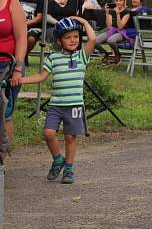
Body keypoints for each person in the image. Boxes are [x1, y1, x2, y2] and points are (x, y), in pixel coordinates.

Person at [12, 17, 96, 183]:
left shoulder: (81, 56)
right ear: (59, 40)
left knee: (70, 137)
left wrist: (83, 22)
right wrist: (21, 79)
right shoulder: (53, 58)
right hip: (56, 105)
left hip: (74, 105)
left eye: (75, 37)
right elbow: (41, 76)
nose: (73, 40)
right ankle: (58, 160)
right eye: (68, 37)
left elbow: (93, 39)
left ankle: (69, 169)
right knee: (49, 133)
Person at [0, 0, 28, 158]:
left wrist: (17, 68)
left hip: (8, 66)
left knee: (5, 112)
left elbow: (22, 37)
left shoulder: (11, 2)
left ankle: (1, 160)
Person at [94, 0, 132, 64]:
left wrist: (118, 13)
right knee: (94, 41)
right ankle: (104, 53)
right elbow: (109, 26)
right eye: (116, 0)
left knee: (110, 40)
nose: (118, 2)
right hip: (112, 30)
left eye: (120, 0)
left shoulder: (127, 12)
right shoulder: (112, 11)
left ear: (124, 1)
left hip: (121, 32)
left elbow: (120, 26)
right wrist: (107, 13)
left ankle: (117, 54)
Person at [16, 0, 43, 65]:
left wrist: (26, 23)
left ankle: (23, 56)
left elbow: (39, 17)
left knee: (31, 39)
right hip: (19, 25)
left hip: (34, 26)